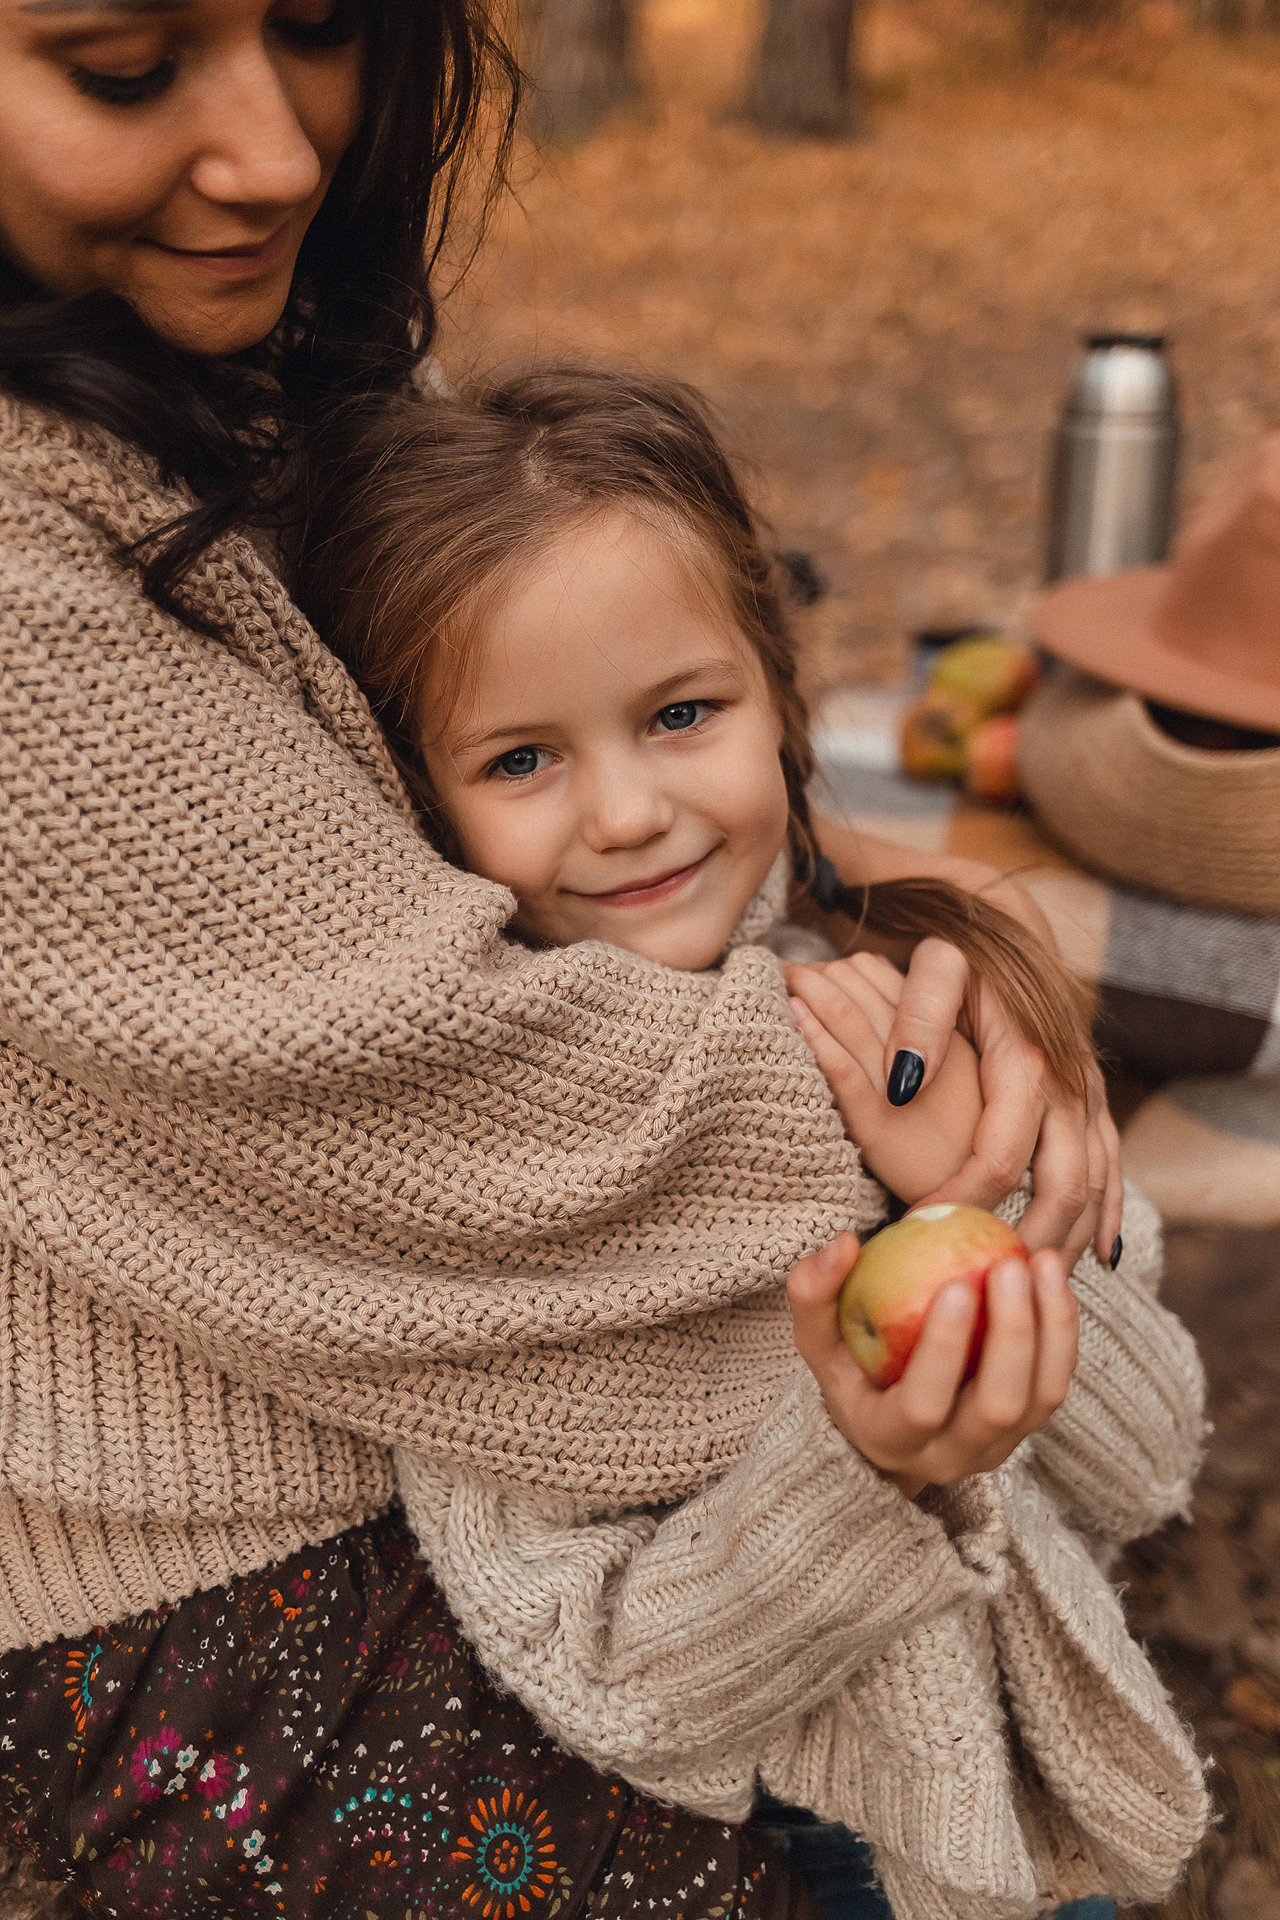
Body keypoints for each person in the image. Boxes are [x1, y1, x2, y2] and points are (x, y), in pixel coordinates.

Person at [0, 0, 1189, 1915]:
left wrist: (925, 946)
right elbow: (471, 1113)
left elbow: (1121, 1448)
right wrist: (945, 1114)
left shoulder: (236, 360)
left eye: (317, 26)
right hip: (283, 1597)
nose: (283, 154)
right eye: (123, 68)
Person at [295, 366, 1207, 1920]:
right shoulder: (491, 1182)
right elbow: (625, 1677)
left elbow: (1140, 1465)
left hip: (1029, 1808)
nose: (632, 811)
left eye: (681, 714)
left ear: (780, 697)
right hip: (806, 1860)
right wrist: (871, 1469)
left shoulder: (890, 1012)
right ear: (419, 806)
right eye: (522, 759)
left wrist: (972, 1207)